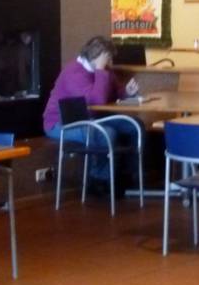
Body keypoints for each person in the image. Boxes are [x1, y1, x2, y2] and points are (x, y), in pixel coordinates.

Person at [43, 35, 143, 196]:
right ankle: (99, 180)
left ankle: (129, 175)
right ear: (98, 55)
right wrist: (100, 70)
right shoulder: (73, 73)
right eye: (108, 57)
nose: (110, 62)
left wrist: (126, 92)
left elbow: (113, 92)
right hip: (61, 123)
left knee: (134, 125)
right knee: (106, 133)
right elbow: (98, 99)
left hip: (91, 118)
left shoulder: (105, 70)